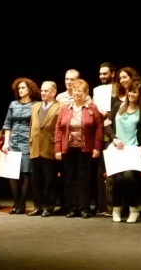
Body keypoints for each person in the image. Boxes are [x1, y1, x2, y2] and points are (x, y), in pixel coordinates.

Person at [54, 79, 104, 219]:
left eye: (79, 91)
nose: (76, 93)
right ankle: (72, 207)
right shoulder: (64, 108)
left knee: (84, 179)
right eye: (75, 90)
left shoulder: (92, 108)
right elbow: (58, 129)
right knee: (69, 179)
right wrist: (58, 148)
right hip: (68, 149)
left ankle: (84, 208)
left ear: (85, 93)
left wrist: (97, 148)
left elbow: (99, 129)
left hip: (85, 149)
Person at [105, 81, 141, 223]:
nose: (131, 94)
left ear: (139, 95)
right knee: (117, 179)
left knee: (129, 177)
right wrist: (114, 139)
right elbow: (108, 125)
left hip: (132, 150)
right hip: (117, 148)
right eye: (129, 91)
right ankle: (116, 209)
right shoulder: (118, 106)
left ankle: (134, 210)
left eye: (134, 92)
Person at [2, 77, 41, 214]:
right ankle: (16, 203)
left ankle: (22, 203)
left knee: (25, 173)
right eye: (19, 88)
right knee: (12, 174)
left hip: (27, 142)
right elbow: (7, 124)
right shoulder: (13, 104)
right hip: (13, 142)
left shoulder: (36, 105)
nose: (20, 90)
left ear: (30, 89)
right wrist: (6, 142)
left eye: (23, 87)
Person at [28, 81, 61, 217]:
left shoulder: (60, 107)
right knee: (36, 180)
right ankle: (37, 206)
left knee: (50, 179)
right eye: (42, 91)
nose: (43, 93)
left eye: (46, 91)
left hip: (50, 146)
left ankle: (49, 206)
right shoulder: (35, 106)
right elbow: (32, 125)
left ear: (53, 92)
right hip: (35, 146)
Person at [92, 62, 117, 216]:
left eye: (105, 73)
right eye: (100, 74)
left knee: (113, 172)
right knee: (100, 171)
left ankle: (113, 205)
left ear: (112, 73)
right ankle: (102, 205)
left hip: (114, 133)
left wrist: (109, 115)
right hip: (100, 133)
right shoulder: (97, 90)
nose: (102, 76)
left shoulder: (118, 89)